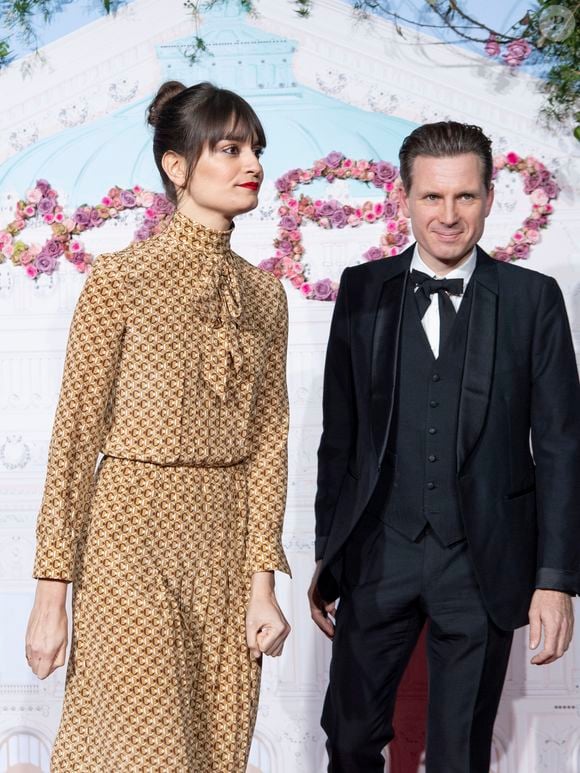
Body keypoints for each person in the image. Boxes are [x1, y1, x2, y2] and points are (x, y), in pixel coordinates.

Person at [25, 80, 291, 772]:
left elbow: (268, 441)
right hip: (129, 538)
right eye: (230, 148)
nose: (251, 163)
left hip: (226, 546)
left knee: (212, 749)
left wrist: (263, 583)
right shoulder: (120, 278)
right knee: (146, 752)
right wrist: (51, 596)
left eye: (255, 148)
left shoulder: (266, 295)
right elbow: (75, 437)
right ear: (177, 166)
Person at [308, 121, 580, 772]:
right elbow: (338, 441)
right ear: (403, 198)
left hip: (480, 563)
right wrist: (329, 559)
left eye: (464, 197)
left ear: (489, 198)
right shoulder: (362, 292)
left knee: (458, 756)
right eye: (432, 197)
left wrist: (555, 580)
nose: (448, 215)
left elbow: (563, 447)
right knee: (349, 740)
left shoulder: (532, 300)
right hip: (379, 555)